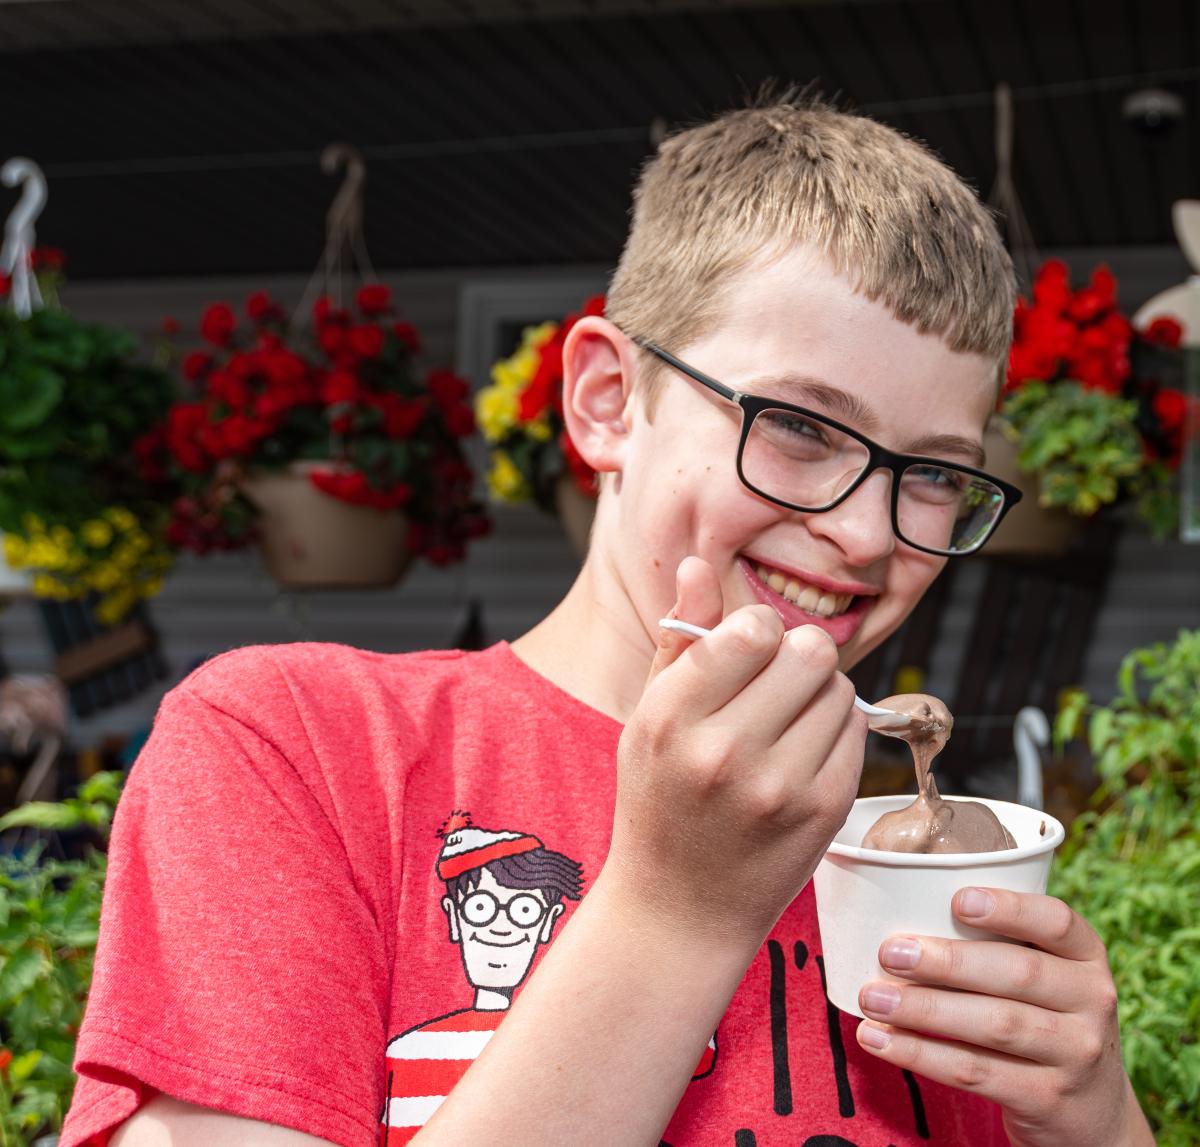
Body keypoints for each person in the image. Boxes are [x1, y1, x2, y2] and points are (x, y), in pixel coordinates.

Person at [62, 96, 1153, 1147]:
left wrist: (1094, 1116)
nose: (869, 536)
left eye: (931, 475)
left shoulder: (913, 874)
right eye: (804, 429)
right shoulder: (300, 747)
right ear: (605, 400)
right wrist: (674, 912)